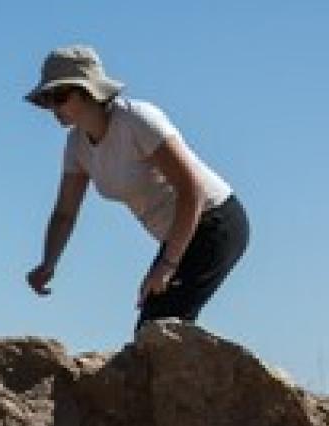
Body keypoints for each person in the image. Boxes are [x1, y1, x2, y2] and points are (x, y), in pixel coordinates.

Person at [23, 46, 248, 332]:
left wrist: (167, 264)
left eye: (59, 96)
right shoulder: (76, 145)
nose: (53, 107)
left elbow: (193, 189)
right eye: (46, 99)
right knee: (154, 329)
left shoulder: (136, 119)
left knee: (158, 327)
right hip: (179, 237)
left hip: (215, 222)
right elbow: (65, 212)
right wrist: (48, 263)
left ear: (88, 91)